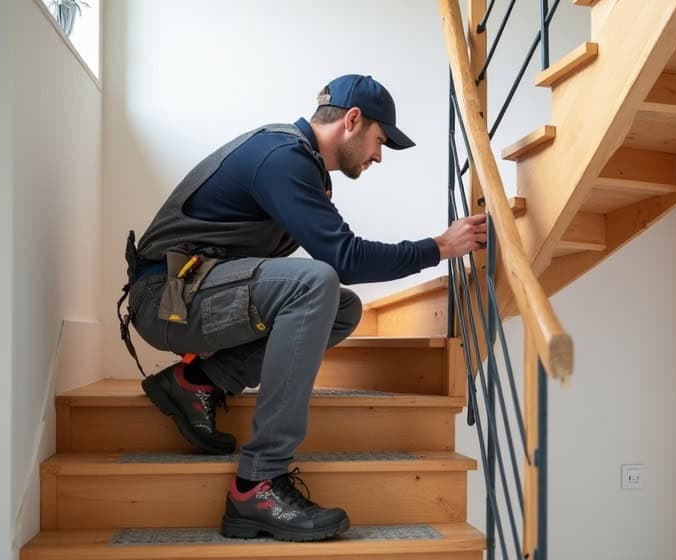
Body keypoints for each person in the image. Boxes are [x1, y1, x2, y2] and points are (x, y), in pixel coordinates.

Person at [119, 74, 487, 542]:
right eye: (380, 141)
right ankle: (258, 483)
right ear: (352, 120)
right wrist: (438, 246)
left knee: (340, 307)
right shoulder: (282, 158)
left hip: (188, 293)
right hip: (164, 299)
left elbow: (320, 264)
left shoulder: (299, 164)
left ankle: (197, 383)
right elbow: (344, 258)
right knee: (318, 282)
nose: (378, 156)